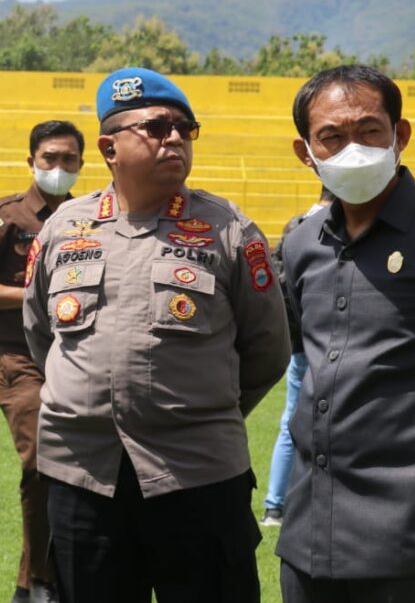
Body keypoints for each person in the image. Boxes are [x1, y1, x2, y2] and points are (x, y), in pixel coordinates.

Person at [23, 67, 290, 602]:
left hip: (197, 475)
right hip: (83, 477)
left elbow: (267, 348)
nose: (175, 138)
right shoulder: (64, 228)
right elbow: (41, 336)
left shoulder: (228, 228)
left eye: (185, 129)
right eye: (158, 127)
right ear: (108, 147)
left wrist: (200, 410)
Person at [277, 65, 415, 602]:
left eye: (369, 131)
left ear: (400, 135)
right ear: (306, 153)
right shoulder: (301, 246)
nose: (354, 149)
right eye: (332, 137)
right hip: (308, 538)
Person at [0, 120, 85, 603]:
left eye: (68, 159)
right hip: (20, 360)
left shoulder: (88, 216)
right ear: (30, 160)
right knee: (39, 463)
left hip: (75, 359)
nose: (58, 167)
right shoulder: (5, 216)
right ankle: (35, 583)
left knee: (79, 468)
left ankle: (51, 578)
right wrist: (33, 297)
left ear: (81, 164)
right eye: (49, 158)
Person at [260, 188, 334, 528]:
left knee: (291, 422)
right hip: (329, 341)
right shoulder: (336, 226)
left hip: (299, 342)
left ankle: (275, 505)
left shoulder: (295, 225)